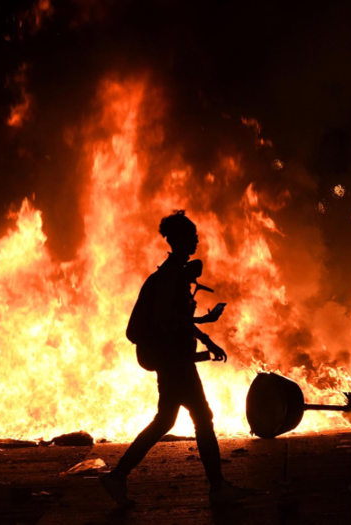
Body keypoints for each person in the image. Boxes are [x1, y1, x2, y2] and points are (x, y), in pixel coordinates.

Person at [101, 210, 247, 506]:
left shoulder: (176, 274)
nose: (196, 239)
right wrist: (205, 320)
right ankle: (218, 488)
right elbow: (165, 318)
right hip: (174, 362)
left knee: (165, 420)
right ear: (177, 238)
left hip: (175, 359)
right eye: (191, 235)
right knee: (202, 418)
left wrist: (206, 339)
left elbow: (178, 317)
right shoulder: (169, 276)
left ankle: (117, 477)